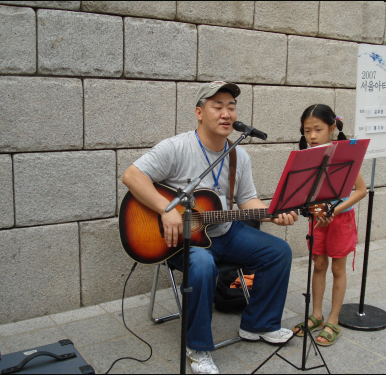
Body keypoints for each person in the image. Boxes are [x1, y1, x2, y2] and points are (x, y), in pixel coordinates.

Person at [122, 81, 298, 374]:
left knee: (278, 252)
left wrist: (272, 214)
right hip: (180, 239)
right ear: (199, 112)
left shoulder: (238, 154)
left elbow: (247, 201)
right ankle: (199, 348)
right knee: (203, 265)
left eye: (231, 106)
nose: (226, 113)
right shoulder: (176, 148)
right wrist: (166, 211)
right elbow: (132, 175)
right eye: (218, 106)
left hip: (225, 232)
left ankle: (259, 324)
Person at [292, 104, 367, 346]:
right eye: (307, 131)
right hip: (318, 217)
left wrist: (335, 209)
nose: (312, 136)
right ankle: (317, 315)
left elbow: (361, 191)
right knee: (319, 264)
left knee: (338, 269)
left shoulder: (344, 154)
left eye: (318, 129)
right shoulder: (307, 156)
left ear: (332, 128)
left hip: (341, 218)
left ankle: (333, 319)